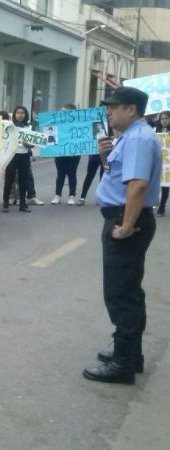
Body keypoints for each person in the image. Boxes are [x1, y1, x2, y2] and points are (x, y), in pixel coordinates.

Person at [83, 86, 160, 385]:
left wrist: (126, 227)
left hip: (126, 221)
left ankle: (123, 363)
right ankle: (131, 354)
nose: (108, 112)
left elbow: (137, 186)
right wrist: (105, 156)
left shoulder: (139, 138)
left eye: (113, 107)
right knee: (129, 291)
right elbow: (118, 177)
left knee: (120, 295)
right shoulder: (130, 137)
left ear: (131, 109)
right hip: (124, 216)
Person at [2, 106, 34, 213]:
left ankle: (23, 204)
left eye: (23, 113)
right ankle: (5, 202)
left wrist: (28, 144)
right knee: (9, 179)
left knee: (23, 180)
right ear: (14, 115)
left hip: (24, 155)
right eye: (18, 113)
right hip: (12, 155)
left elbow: (33, 143)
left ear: (26, 115)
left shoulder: (29, 127)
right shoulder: (10, 126)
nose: (20, 115)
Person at [51, 104, 82, 205]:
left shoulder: (79, 123)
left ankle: (71, 196)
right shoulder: (59, 122)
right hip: (61, 151)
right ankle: (57, 195)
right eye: (65, 112)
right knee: (60, 173)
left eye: (69, 112)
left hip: (74, 152)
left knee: (72, 173)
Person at [153, 111, 169, 216]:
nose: (164, 121)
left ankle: (162, 207)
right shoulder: (155, 130)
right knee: (155, 184)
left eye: (166, 118)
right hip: (158, 161)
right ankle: (153, 203)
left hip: (168, 163)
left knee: (165, 185)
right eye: (162, 119)